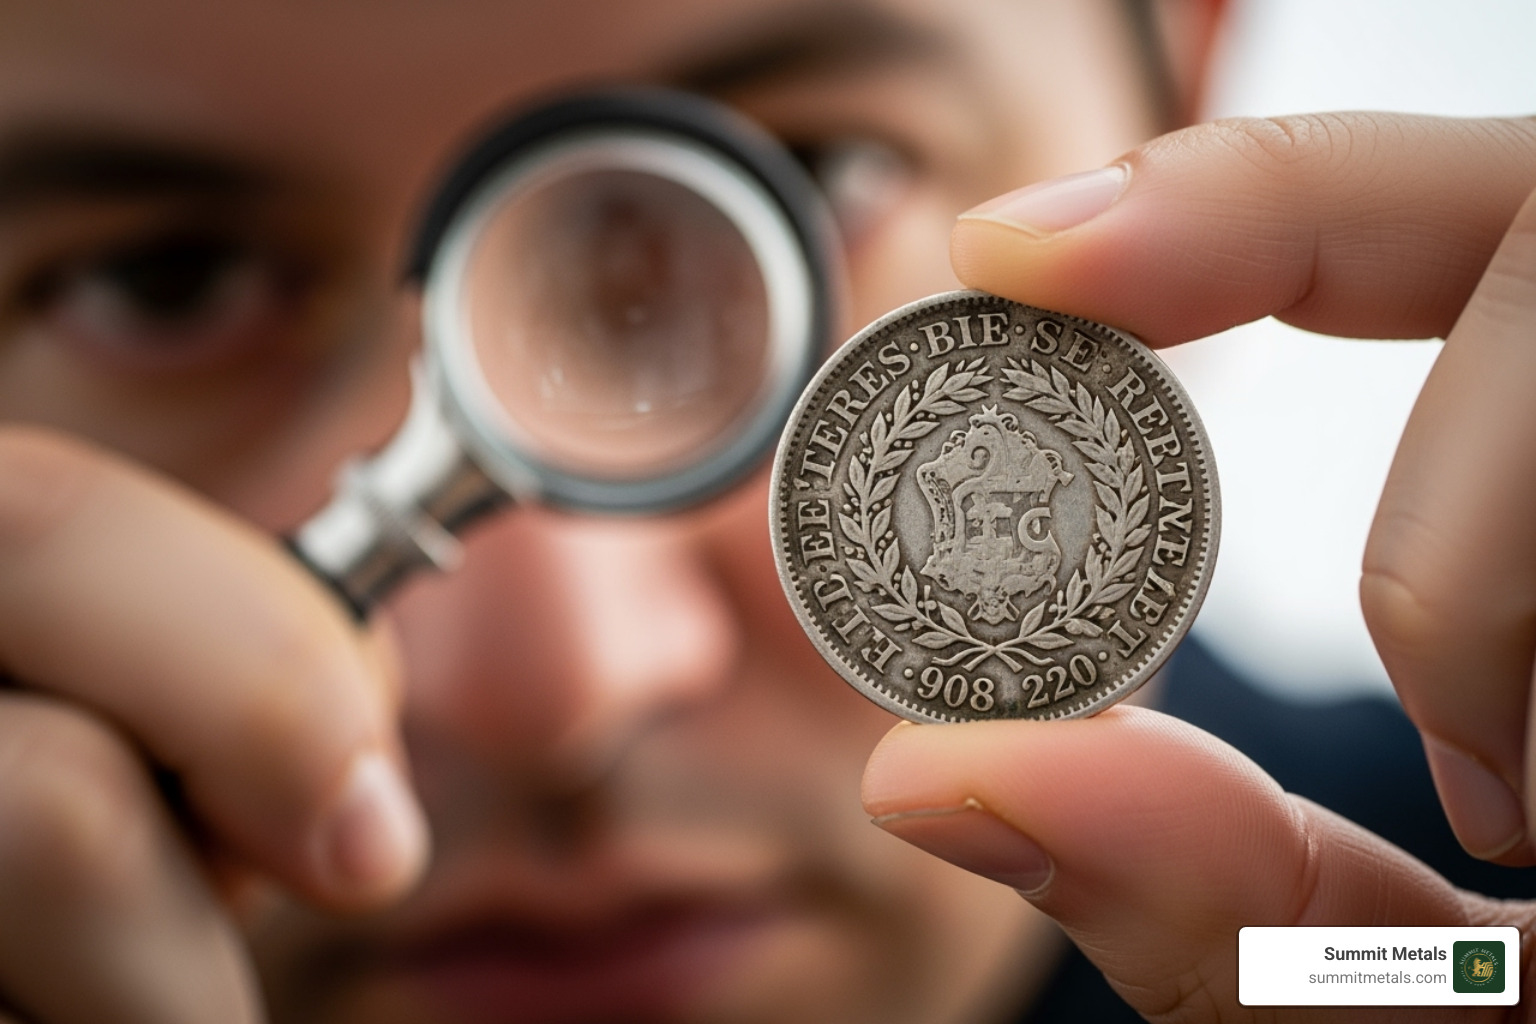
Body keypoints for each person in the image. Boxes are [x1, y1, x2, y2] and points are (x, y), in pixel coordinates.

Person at [0, 1, 1532, 1022]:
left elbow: (1448, 976)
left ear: (1183, 79)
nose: (567, 691)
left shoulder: (1449, 943)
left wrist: (1462, 972)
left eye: (807, 172)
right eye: (164, 280)